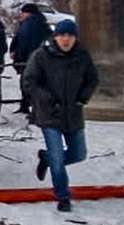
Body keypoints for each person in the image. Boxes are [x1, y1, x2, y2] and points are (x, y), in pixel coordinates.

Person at [23, 19, 99, 213]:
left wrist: (82, 98)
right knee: (58, 159)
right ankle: (63, 196)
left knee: (78, 154)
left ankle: (46, 159)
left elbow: (92, 79)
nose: (66, 40)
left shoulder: (82, 56)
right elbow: (29, 82)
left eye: (70, 36)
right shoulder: (41, 55)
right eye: (62, 35)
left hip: (73, 113)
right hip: (50, 114)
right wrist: (46, 99)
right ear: (55, 36)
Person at [10, 4, 50, 116]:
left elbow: (25, 43)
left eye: (23, 12)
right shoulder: (38, 23)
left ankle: (35, 112)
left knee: (31, 84)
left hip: (29, 59)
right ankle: (25, 106)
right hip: (34, 59)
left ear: (29, 13)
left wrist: (18, 56)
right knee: (26, 83)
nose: (21, 14)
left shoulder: (31, 25)